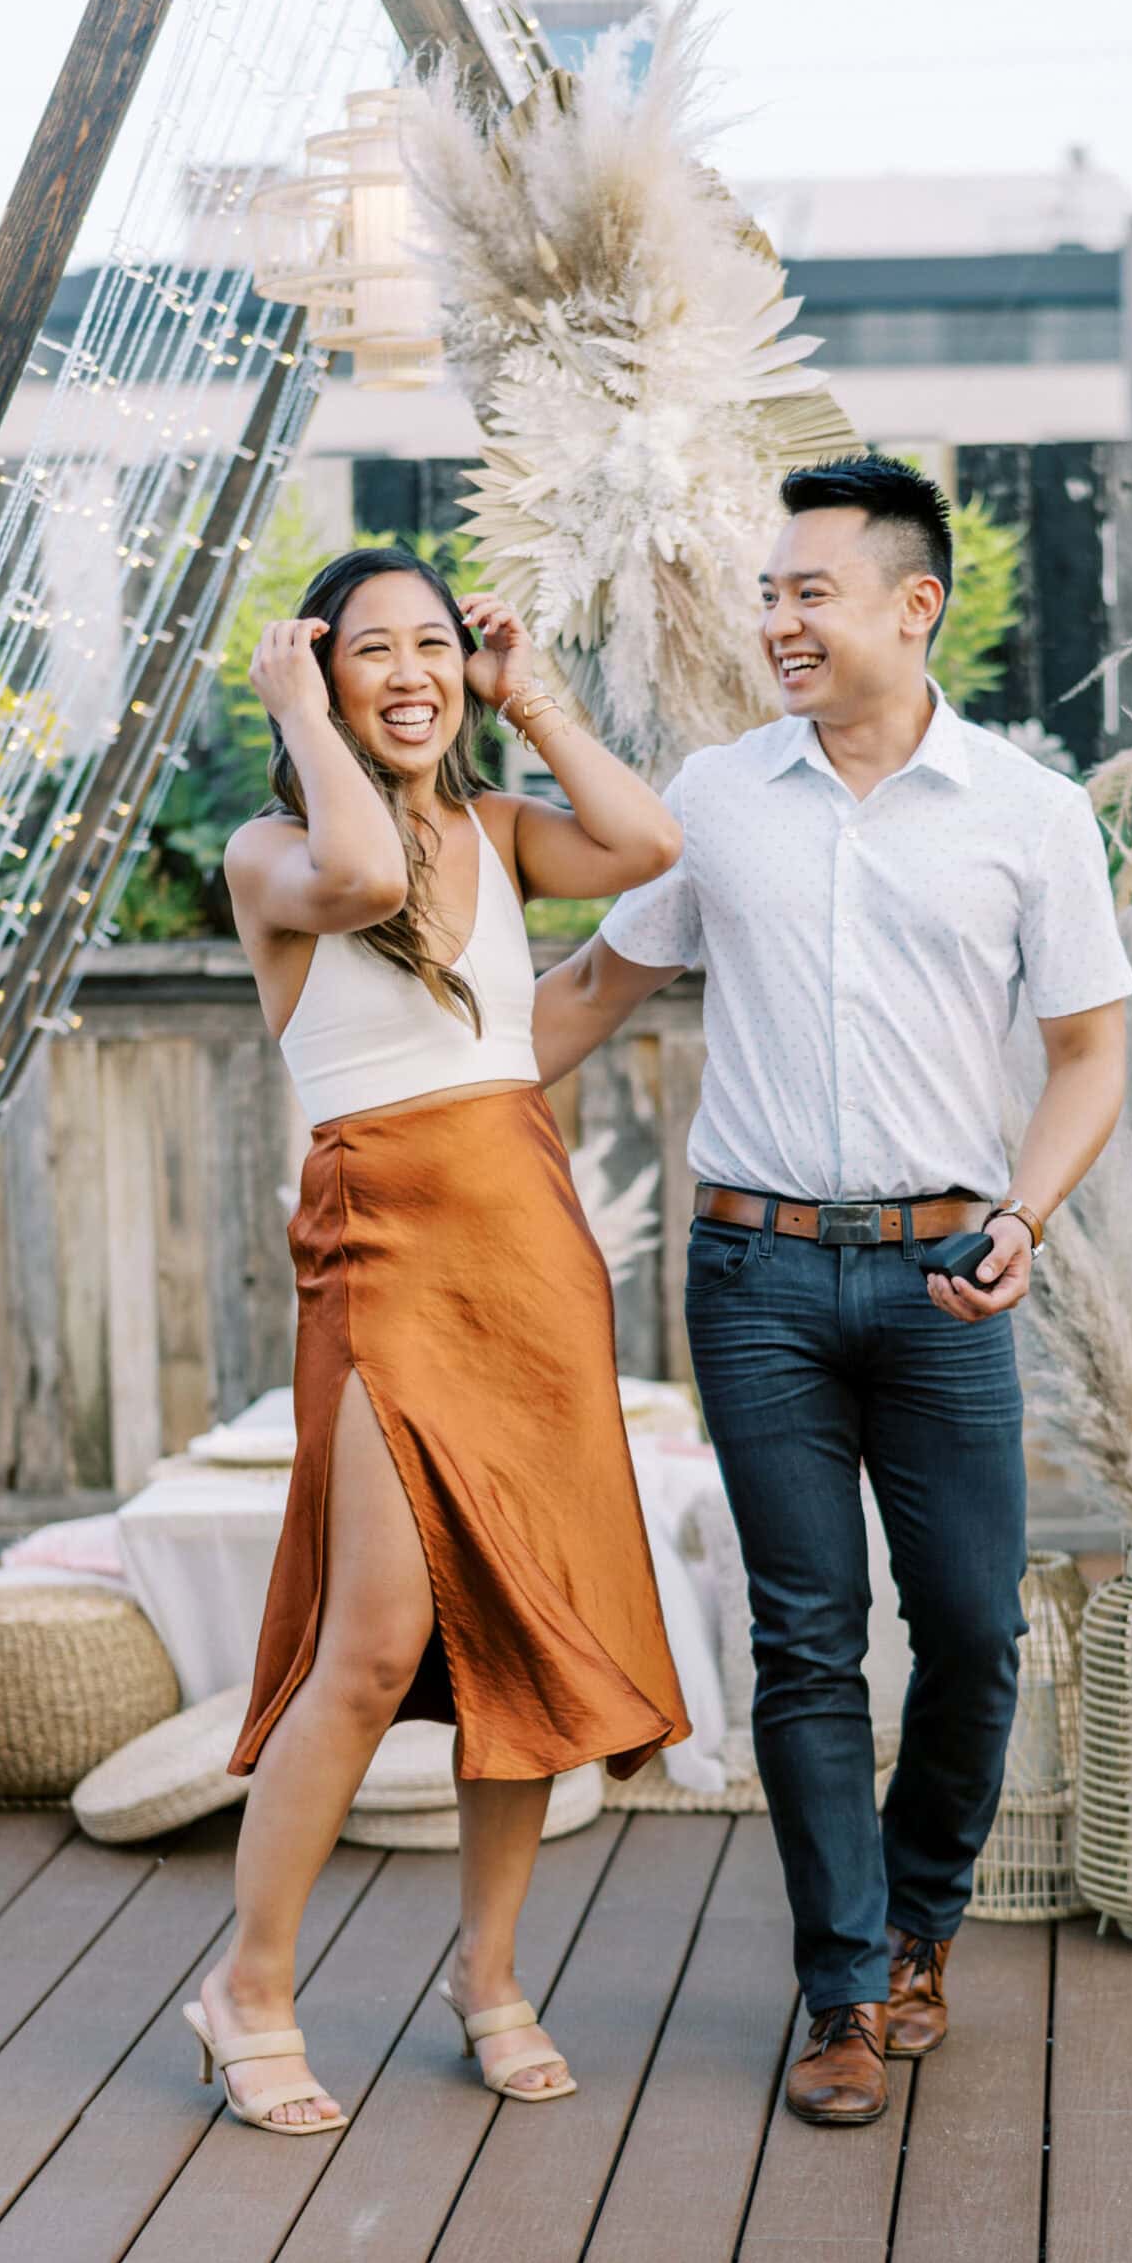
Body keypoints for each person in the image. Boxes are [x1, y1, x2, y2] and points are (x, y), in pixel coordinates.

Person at [534, 454, 1132, 2127]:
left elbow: (1090, 1057)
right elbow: (593, 984)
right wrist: (410, 1103)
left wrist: (1025, 1212)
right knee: (805, 1637)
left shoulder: (1030, 813)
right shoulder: (716, 796)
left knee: (972, 1629)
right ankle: (844, 1987)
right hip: (757, 1278)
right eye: (769, 593)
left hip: (954, 1272)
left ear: (910, 605)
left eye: (809, 592)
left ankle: (924, 1920)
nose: (778, 620)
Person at [187, 546, 691, 2136]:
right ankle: (247, 1988)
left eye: (432, 648)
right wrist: (293, 711)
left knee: (521, 1628)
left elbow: (646, 837)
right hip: (386, 1253)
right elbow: (367, 883)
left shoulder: (498, 830)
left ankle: (489, 1976)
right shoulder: (273, 849)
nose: (410, 675)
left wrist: (524, 687)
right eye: (370, 652)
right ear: (320, 674)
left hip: (529, 1258)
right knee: (380, 1637)